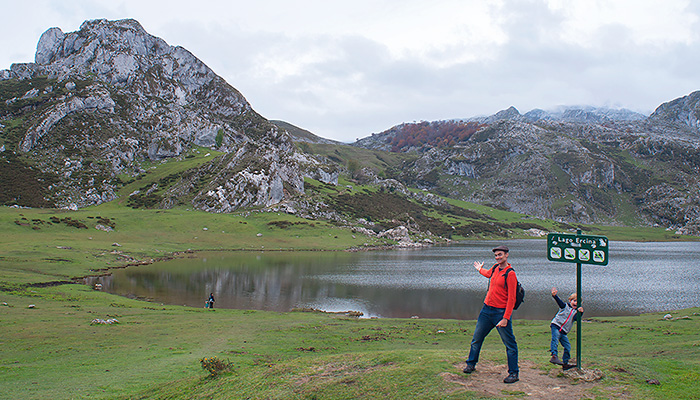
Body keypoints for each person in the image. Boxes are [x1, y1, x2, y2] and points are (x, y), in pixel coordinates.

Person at [463, 245, 520, 384]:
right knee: (477, 338)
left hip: (500, 313)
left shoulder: (510, 273)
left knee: (510, 344)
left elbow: (512, 298)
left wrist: (506, 318)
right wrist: (479, 269)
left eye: (500, 255)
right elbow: (488, 274)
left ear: (506, 255)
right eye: (496, 255)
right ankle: (471, 364)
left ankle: (514, 373)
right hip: (486, 310)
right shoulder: (495, 268)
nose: (497, 257)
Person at [549, 287, 583, 370]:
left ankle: (565, 363)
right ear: (570, 301)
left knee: (567, 346)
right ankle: (554, 356)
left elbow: (576, 319)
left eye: (577, 302)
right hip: (556, 326)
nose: (575, 303)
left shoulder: (576, 312)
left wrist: (581, 313)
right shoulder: (565, 306)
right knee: (555, 339)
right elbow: (559, 302)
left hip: (564, 331)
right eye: (574, 301)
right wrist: (554, 296)